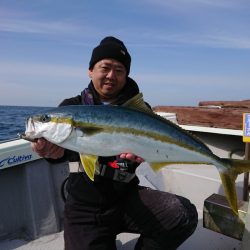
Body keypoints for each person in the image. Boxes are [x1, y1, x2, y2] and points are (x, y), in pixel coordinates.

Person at [32, 36, 198, 250]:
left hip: (125, 197)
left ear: (126, 75)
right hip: (84, 207)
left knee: (182, 215)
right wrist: (50, 153)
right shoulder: (72, 107)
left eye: (119, 70)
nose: (111, 75)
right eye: (105, 67)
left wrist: (138, 158)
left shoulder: (138, 109)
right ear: (90, 70)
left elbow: (144, 148)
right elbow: (62, 151)